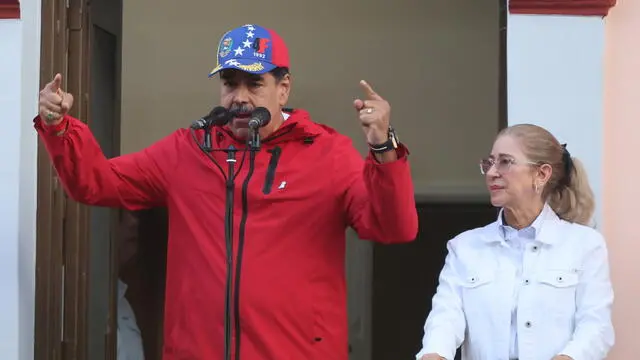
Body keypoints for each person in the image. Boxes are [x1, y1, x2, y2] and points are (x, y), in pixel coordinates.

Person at [35, 24, 418, 359]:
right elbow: (95, 182)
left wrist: (383, 147)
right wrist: (59, 127)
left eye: (255, 84)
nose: (240, 97)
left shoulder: (327, 154)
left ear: (283, 89)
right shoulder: (187, 149)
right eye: (230, 83)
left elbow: (393, 228)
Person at [415, 124, 614, 360]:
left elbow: (596, 328)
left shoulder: (585, 245)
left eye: (505, 162)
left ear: (541, 174)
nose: (491, 173)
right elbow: (444, 320)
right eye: (490, 162)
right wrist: (434, 354)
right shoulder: (464, 247)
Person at [116, 210, 145, 360]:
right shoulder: (76, 306)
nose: (134, 222)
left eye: (134, 213)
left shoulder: (123, 305)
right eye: (120, 212)